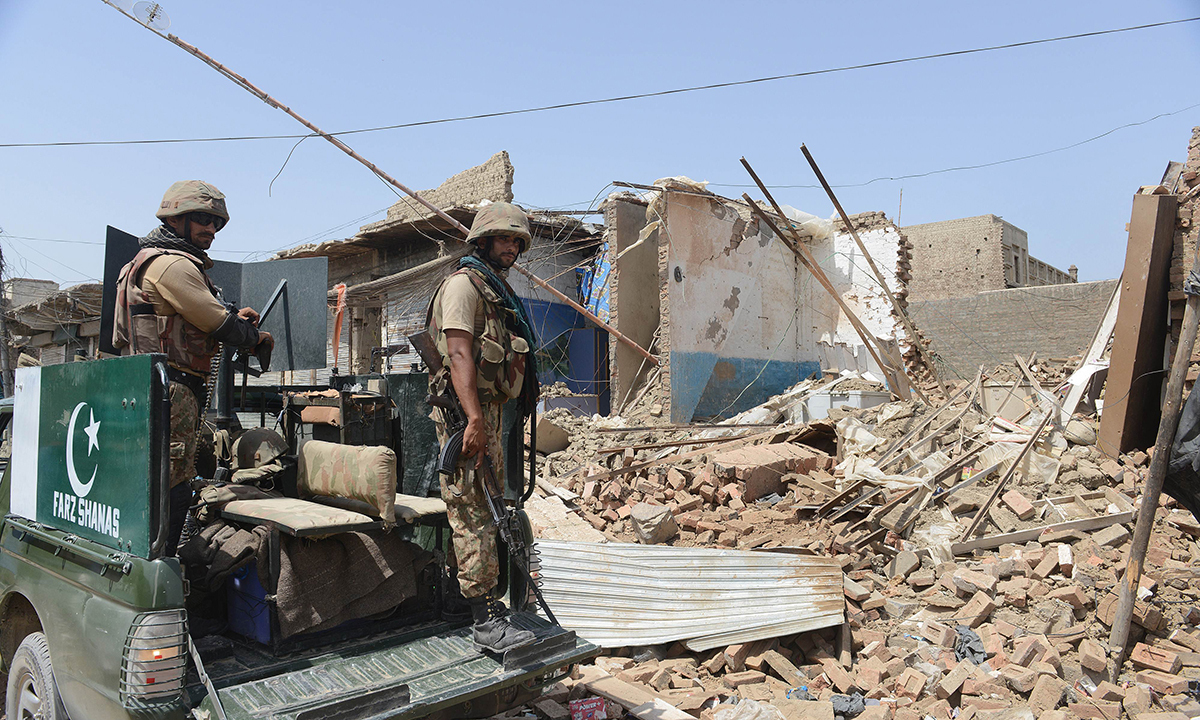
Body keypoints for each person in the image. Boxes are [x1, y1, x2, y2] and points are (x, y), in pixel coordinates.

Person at [112, 180, 273, 555]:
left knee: (160, 482)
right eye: (202, 219)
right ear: (176, 219)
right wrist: (255, 337)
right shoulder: (171, 264)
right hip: (172, 389)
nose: (210, 230)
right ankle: (160, 573)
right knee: (172, 488)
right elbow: (218, 325)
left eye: (216, 223)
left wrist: (233, 317)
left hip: (151, 385)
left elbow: (194, 315)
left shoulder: (148, 260)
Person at [426, 202, 540, 652]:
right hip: (466, 414)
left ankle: (479, 604)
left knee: (490, 509)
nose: (510, 246)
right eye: (503, 238)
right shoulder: (463, 286)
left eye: (517, 240)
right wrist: (473, 419)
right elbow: (457, 355)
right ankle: (486, 619)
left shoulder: (494, 290)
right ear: (482, 241)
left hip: (487, 414)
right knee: (473, 511)